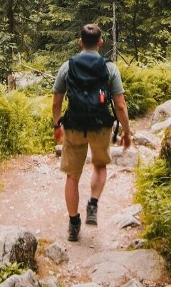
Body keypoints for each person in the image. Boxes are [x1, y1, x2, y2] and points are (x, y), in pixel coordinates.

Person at [52, 24, 132, 242]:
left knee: (72, 176)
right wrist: (127, 133)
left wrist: (57, 125)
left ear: (80, 42)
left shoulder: (67, 67)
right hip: (100, 126)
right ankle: (93, 203)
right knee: (99, 165)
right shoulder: (110, 68)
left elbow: (57, 100)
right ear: (100, 43)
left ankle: (74, 222)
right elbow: (121, 105)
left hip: (75, 125)